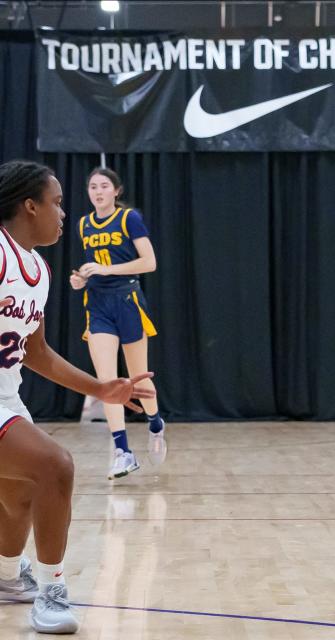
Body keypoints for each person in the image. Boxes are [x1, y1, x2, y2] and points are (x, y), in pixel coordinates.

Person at [0, 160, 154, 634]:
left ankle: (7, 578)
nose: (65, 214)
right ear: (30, 206)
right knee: (56, 465)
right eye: (58, 203)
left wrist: (99, 387)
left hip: (8, 394)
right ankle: (51, 592)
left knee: (19, 495)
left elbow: (36, 351)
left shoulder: (38, 269)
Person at [71, 167, 165, 480]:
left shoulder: (129, 219)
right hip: (97, 306)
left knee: (138, 379)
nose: (98, 191)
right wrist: (80, 279)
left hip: (128, 301)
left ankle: (155, 424)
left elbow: (149, 263)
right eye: (93, 186)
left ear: (116, 191)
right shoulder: (83, 224)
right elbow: (91, 269)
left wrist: (107, 270)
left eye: (104, 186)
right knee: (108, 383)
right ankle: (123, 451)